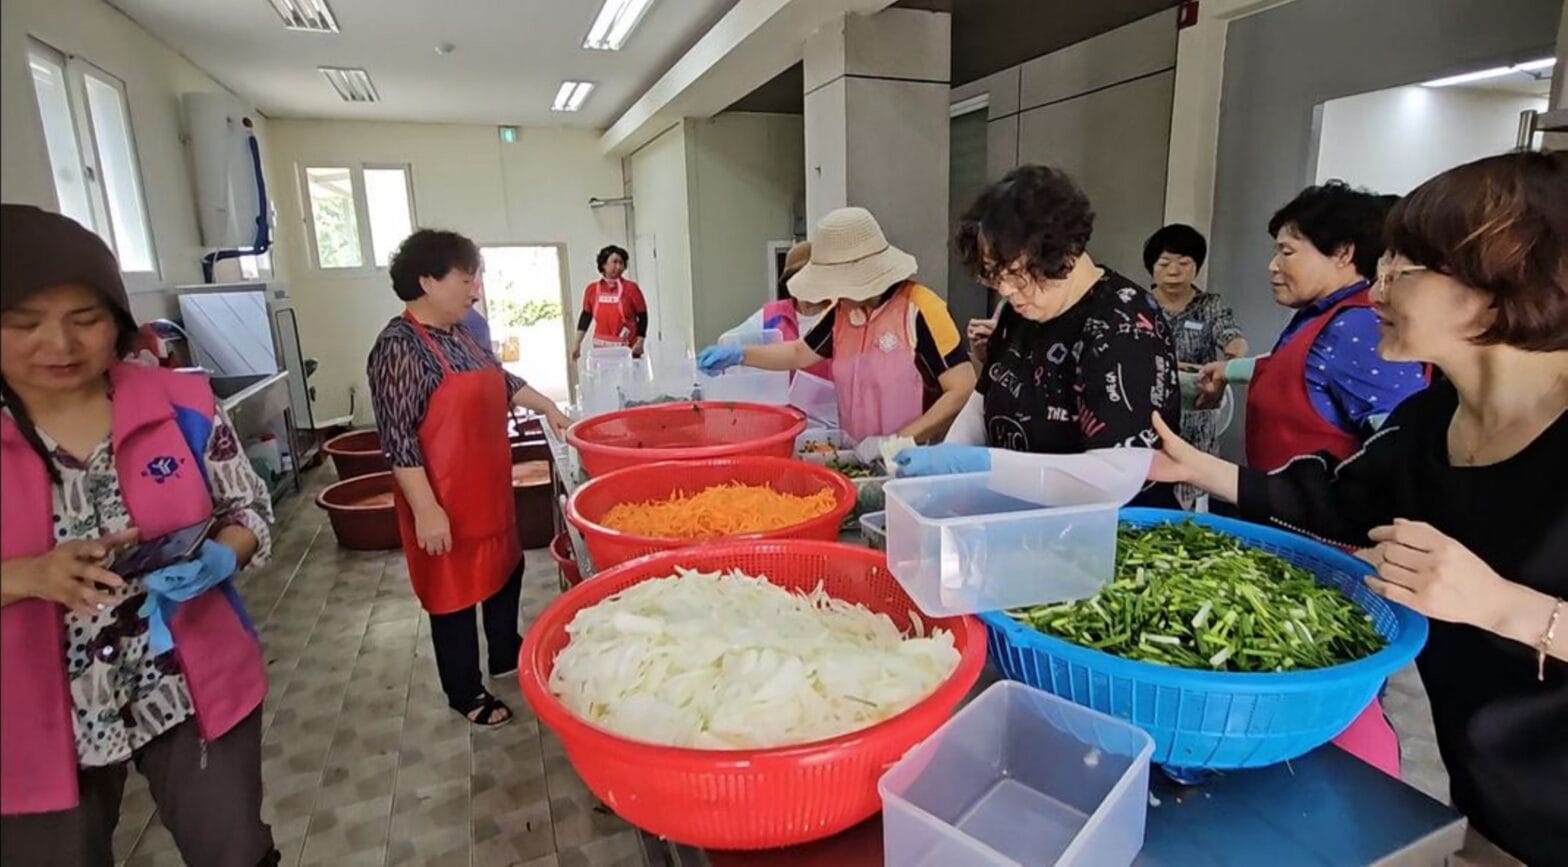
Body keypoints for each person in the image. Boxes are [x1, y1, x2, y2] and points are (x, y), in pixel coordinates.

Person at [1150, 152, 1565, 866]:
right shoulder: (1431, 418)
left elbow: (1504, 608)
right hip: (1493, 800)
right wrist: (1201, 469)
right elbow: (1334, 500)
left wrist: (1505, 607)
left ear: (1498, 287)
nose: (1376, 290)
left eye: (1404, 269)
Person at [0, 205, 279, 865]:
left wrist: (220, 554)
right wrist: (25, 576)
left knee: (235, 848)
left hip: (186, 681)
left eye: (85, 320)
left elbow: (248, 508)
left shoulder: (179, 408)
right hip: (29, 715)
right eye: (23, 324)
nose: (60, 346)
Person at [367, 230, 570, 727]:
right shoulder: (399, 346)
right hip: (444, 499)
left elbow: (501, 380)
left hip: (487, 490)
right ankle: (465, 690)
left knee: (505, 570)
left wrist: (548, 408)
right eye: (465, 278)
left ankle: (504, 653)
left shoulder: (462, 334)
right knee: (452, 595)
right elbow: (398, 439)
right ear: (428, 281)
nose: (474, 289)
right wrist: (426, 510)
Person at [895, 166, 1182, 509]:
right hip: (1022, 524)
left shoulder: (1124, 325)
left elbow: (1114, 477)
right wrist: (951, 461)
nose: (1005, 290)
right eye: (994, 276)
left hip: (1108, 536)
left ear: (1064, 253)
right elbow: (984, 398)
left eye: (1017, 276)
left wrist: (981, 466)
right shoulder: (1021, 311)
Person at [696, 207, 975, 447]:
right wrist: (741, 355)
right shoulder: (841, 313)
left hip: (917, 455)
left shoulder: (921, 309)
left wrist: (901, 441)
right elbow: (797, 354)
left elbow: (961, 388)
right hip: (860, 454)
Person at [1196, 183, 1426, 472]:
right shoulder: (1323, 316)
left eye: (1287, 252)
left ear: (1342, 253)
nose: (1273, 266)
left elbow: (1406, 443)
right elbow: (1296, 368)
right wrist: (1228, 370)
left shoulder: (1358, 327)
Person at [1143, 223, 1248, 506]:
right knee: (1149, 486)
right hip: (1149, 412)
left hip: (1196, 413)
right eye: (1164, 263)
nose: (1174, 271)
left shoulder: (1210, 306)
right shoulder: (1139, 304)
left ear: (1197, 267)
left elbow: (1233, 339)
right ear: (1152, 267)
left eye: (1184, 263)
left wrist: (1231, 366)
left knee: (1192, 489)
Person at [718, 241, 834, 381]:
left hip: (828, 402)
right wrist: (731, 354)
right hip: (779, 401)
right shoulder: (772, 314)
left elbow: (799, 354)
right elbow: (728, 340)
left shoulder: (836, 315)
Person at [569, 244, 647, 362]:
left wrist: (640, 341)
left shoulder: (631, 288)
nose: (619, 266)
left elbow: (643, 316)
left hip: (628, 349)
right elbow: (586, 317)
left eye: (622, 263)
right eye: (615, 262)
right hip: (602, 351)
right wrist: (577, 343)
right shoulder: (592, 289)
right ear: (604, 265)